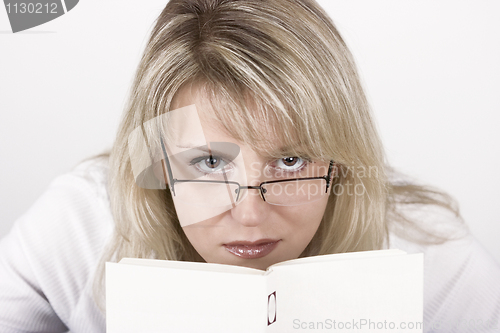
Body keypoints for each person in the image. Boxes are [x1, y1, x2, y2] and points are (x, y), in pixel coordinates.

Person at [1, 0, 499, 332]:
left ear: (341, 161)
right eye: (210, 161)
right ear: (158, 163)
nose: (250, 218)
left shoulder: (431, 256)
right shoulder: (76, 227)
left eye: (290, 159)